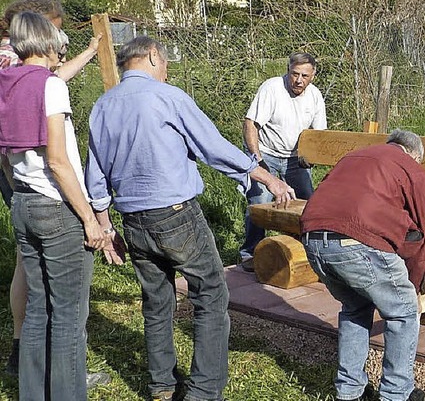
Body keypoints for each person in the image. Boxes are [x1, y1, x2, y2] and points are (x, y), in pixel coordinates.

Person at [84, 36, 296, 401]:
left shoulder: (102, 106)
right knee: (210, 294)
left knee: (157, 301)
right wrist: (265, 176)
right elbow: (212, 147)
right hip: (176, 215)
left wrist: (105, 225)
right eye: (165, 64)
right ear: (152, 56)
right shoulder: (168, 97)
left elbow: (96, 176)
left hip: (132, 219)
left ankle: (162, 386)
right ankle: (204, 390)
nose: (167, 72)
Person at [0, 11, 111, 400]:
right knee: (67, 316)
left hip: (23, 204)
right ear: (47, 44)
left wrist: (20, 189)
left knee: (37, 310)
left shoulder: (7, 83)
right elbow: (60, 161)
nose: (61, 50)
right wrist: (90, 220)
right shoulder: (49, 86)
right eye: (59, 43)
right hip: (57, 208)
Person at [299, 129, 425, 401]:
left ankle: (349, 392)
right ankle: (396, 394)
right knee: (404, 312)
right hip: (356, 242)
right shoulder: (412, 169)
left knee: (355, 308)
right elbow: (424, 234)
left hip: (312, 238)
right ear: (414, 155)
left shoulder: (354, 156)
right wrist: (416, 284)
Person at [239, 52, 327, 272]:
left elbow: (320, 135)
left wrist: (311, 157)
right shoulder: (272, 88)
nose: (298, 80)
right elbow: (251, 124)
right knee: (259, 200)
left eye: (304, 76)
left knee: (310, 202)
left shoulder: (315, 96)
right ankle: (250, 253)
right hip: (266, 152)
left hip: (295, 158)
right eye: (294, 74)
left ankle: (307, 251)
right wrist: (257, 160)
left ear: (313, 75)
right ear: (288, 71)